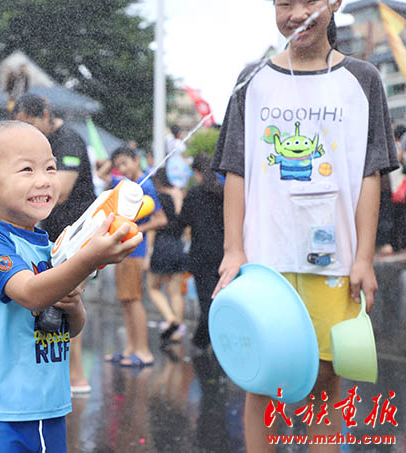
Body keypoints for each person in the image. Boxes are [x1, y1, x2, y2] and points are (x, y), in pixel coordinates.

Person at [212, 1, 398, 451]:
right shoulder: (252, 81)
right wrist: (234, 250)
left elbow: (369, 175)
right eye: (284, 4)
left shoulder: (363, 80)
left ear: (333, 3)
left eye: (308, 1)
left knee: (326, 380)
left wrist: (363, 258)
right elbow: (236, 171)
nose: (297, 14)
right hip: (265, 262)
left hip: (334, 262)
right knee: (262, 380)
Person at [0, 121, 141, 452]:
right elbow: (31, 293)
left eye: (50, 168)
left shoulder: (50, 246)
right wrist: (88, 260)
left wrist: (74, 306)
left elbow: (72, 328)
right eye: (27, 170)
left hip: (50, 409)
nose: (44, 180)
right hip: (1, 413)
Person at [12, 93, 96, 393]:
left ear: (45, 114)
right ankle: (66, 375)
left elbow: (61, 191)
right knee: (58, 303)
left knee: (69, 299)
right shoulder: (46, 144)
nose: (27, 134)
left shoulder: (68, 140)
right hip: (59, 234)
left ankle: (77, 377)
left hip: (78, 235)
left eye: (30, 125)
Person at [97, 145, 167, 367]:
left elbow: (160, 219)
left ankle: (143, 351)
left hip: (135, 251)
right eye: (118, 165)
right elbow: (101, 175)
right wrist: (113, 161)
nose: (121, 169)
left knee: (134, 301)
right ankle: (130, 348)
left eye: (125, 163)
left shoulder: (145, 185)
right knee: (126, 301)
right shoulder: (125, 185)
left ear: (137, 160)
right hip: (123, 250)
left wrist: (134, 229)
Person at [170, 154, 224, 352]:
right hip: (224, 256)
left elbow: (181, 222)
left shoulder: (194, 194)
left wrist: (177, 202)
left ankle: (201, 342)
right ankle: (215, 341)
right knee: (221, 301)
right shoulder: (225, 193)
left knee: (207, 303)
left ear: (197, 173)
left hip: (202, 256)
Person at [147, 170, 187, 342]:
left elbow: (154, 228)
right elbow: (184, 223)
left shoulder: (157, 198)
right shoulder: (178, 196)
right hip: (178, 245)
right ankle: (178, 330)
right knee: (175, 291)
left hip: (162, 245)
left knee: (153, 287)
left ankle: (170, 318)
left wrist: (148, 253)